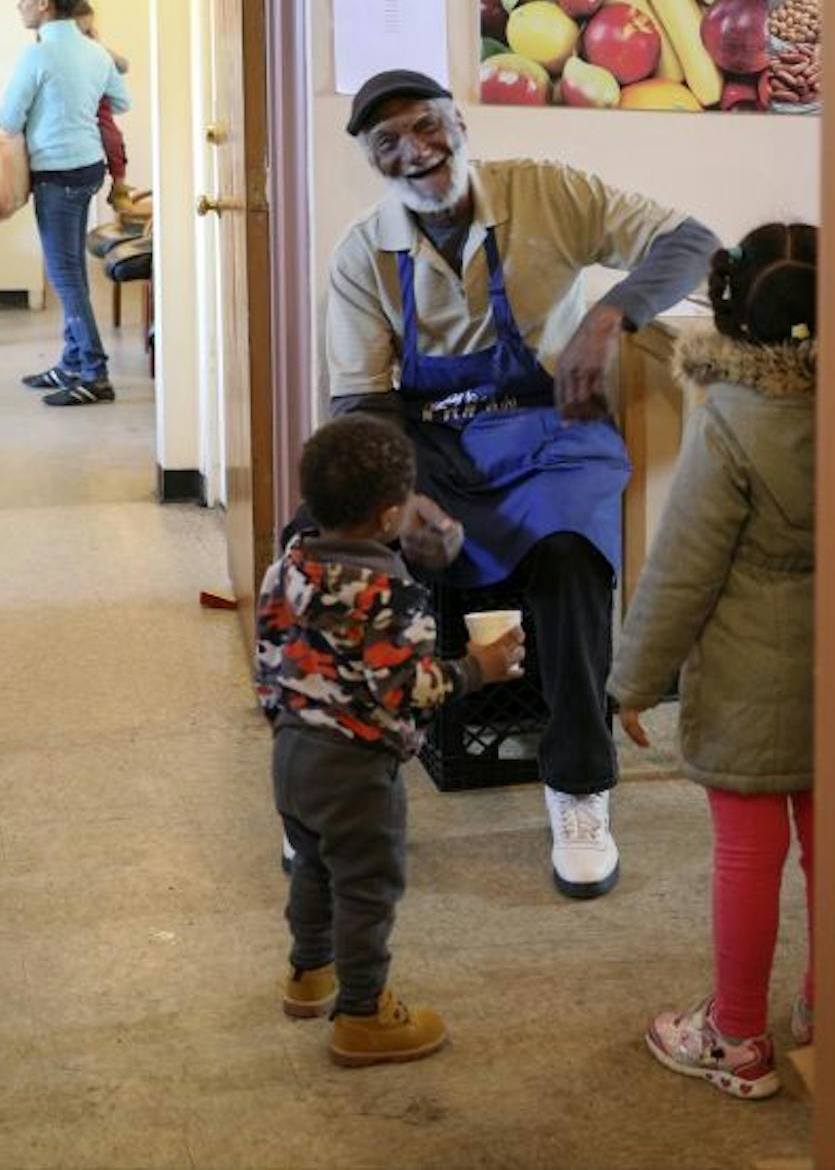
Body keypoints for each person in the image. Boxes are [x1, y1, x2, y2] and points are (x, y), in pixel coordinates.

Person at [326, 68, 720, 899]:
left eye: (425, 125)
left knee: (572, 559)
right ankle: (338, 781)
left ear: (459, 121)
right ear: (372, 161)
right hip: (430, 441)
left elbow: (693, 240)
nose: (414, 151)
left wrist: (610, 316)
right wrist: (401, 498)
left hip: (551, 432)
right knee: (332, 552)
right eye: (386, 142)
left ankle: (579, 784)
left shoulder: (548, 192)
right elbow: (361, 399)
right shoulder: (363, 251)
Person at [608, 223, 819, 1101]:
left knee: (747, 849)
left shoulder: (731, 420)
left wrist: (632, 677)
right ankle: (830, 1006)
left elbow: (683, 568)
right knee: (833, 845)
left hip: (749, 674)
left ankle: (736, 1034)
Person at [258, 415, 526, 1066]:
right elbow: (408, 690)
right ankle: (362, 1013)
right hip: (356, 768)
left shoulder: (286, 567)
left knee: (315, 867)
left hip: (291, 754)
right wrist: (477, 668)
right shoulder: (392, 595)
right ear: (388, 518)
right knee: (367, 889)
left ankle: (308, 972)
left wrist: (289, 724)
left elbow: (267, 657)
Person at [0, 0, 130, 406]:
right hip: (88, 168)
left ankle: (95, 373)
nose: (18, 6)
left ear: (44, 3)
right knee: (70, 267)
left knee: (65, 275)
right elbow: (122, 99)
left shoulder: (38, 54)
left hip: (56, 174)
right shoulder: (95, 51)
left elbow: (9, 118)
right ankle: (71, 363)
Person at [71, 1, 151, 218]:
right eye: (81, 31)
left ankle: (119, 184)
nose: (85, 36)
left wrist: (97, 45)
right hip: (78, 106)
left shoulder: (95, 49)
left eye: (88, 30)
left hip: (99, 102)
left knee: (113, 138)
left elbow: (123, 65)